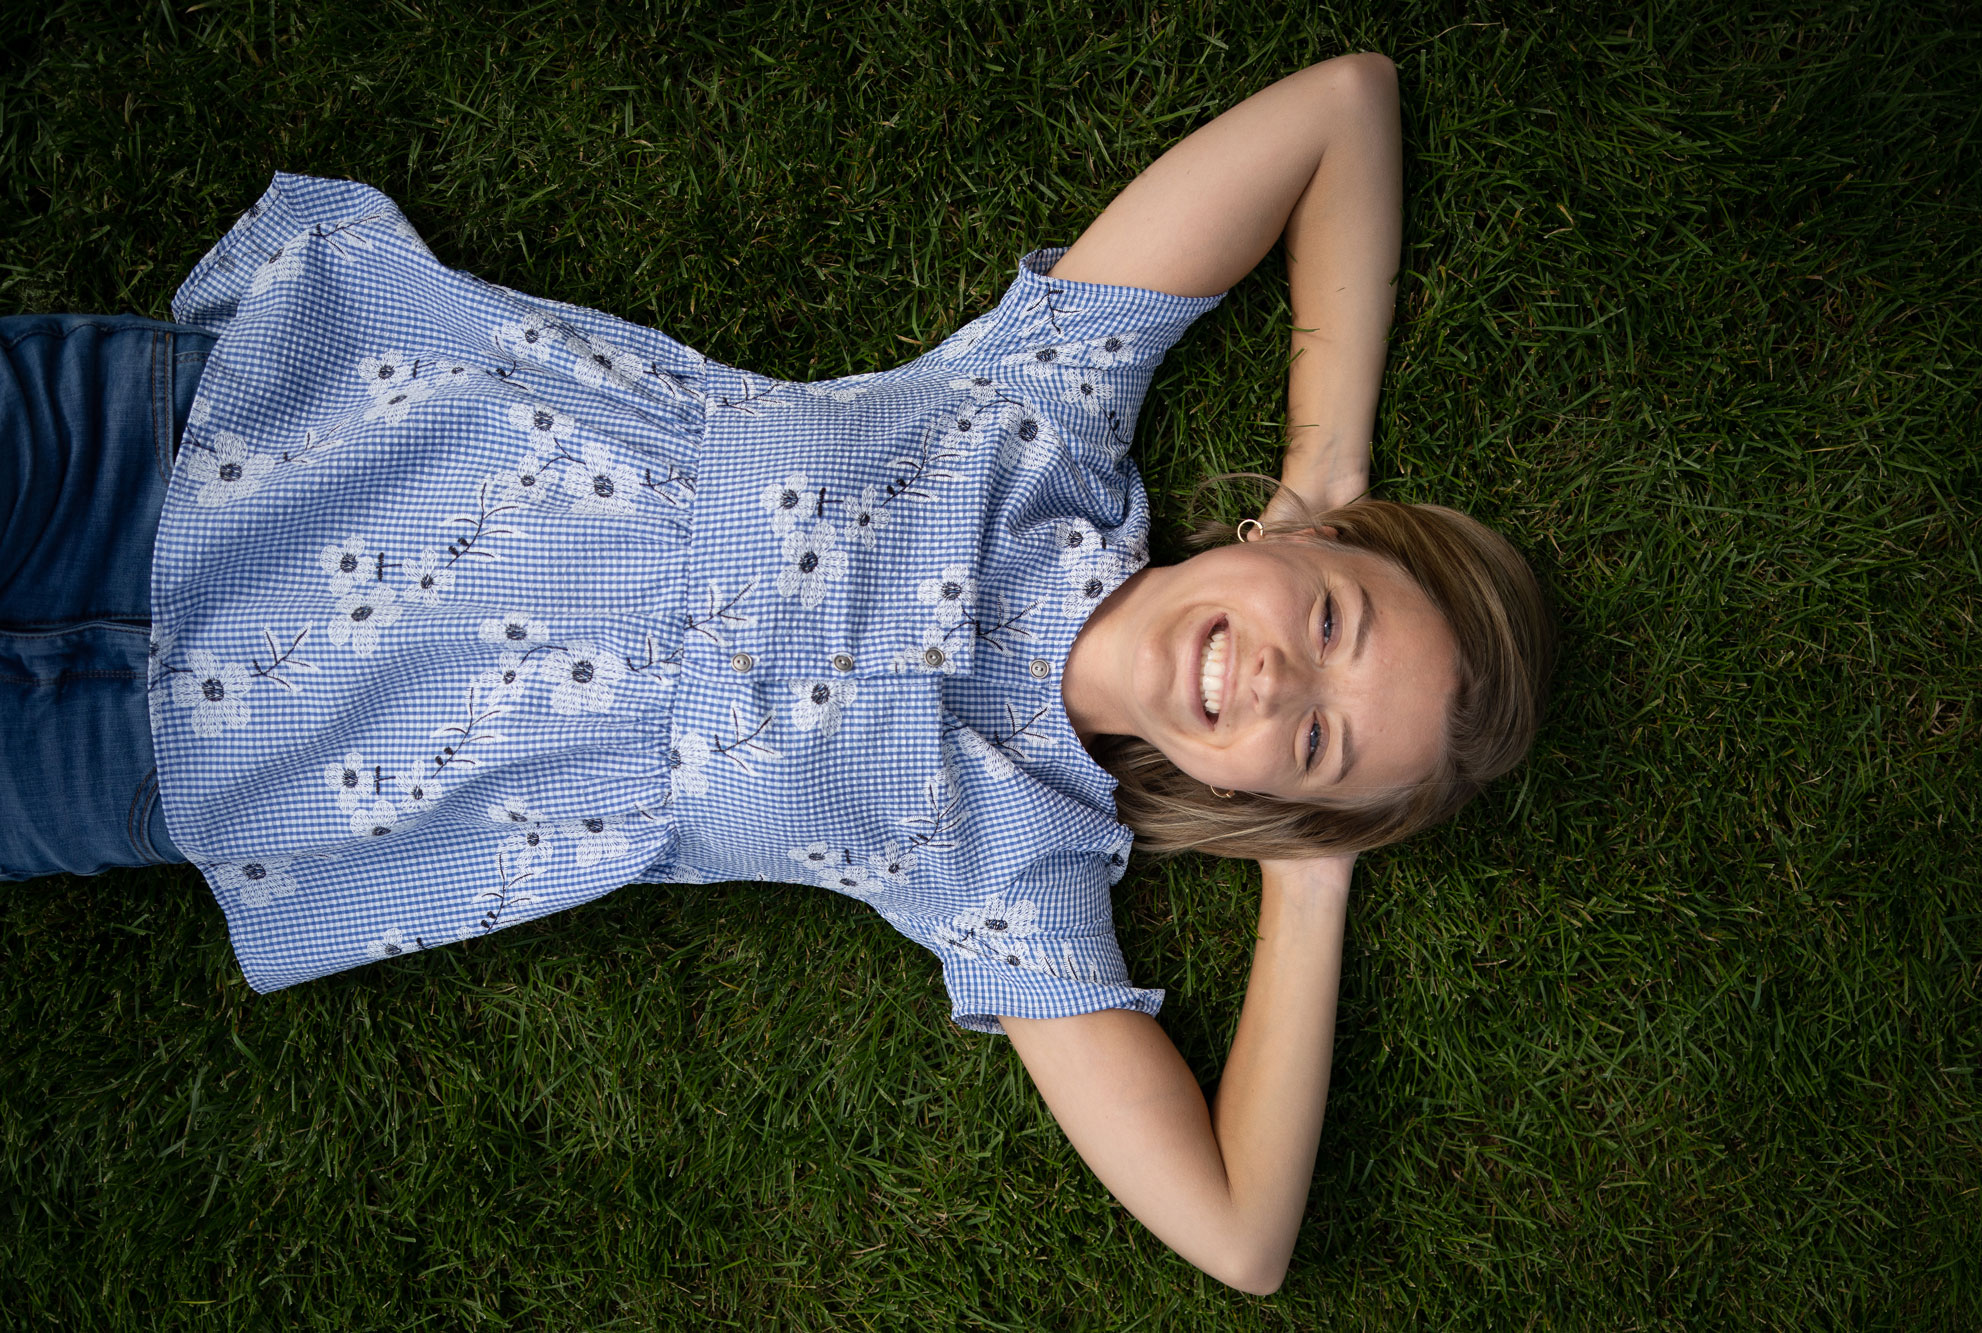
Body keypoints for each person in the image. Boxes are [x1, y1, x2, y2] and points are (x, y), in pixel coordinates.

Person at [0, 54, 1550, 1292]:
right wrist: (1325, 466)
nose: (1284, 683)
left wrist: (1318, 869)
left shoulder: (1013, 870)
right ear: (1289, 545)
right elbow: (1345, 108)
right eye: (1335, 620)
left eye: (1324, 747)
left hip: (177, 749)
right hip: (214, 439)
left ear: (1260, 796)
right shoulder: (1043, 414)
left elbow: (1241, 1235)